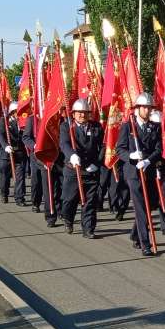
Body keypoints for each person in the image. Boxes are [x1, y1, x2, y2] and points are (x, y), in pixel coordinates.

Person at [116, 92, 162, 257]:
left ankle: (135, 234)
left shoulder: (155, 126)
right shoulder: (128, 126)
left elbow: (159, 149)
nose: (148, 111)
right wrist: (131, 156)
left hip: (148, 170)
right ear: (138, 108)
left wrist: (149, 160)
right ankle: (145, 243)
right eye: (145, 107)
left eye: (150, 108)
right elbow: (119, 149)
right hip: (133, 172)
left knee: (149, 205)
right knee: (141, 207)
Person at [60, 99, 104, 238]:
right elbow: (64, 143)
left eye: (85, 113)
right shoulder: (67, 126)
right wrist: (72, 155)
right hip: (73, 169)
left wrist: (97, 163)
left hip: (91, 169)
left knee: (90, 201)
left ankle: (88, 229)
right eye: (79, 112)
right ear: (73, 114)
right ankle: (68, 219)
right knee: (69, 199)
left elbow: (103, 146)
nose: (82, 115)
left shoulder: (96, 127)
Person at [149, 110, 165, 238]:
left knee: (164, 199)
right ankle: (138, 231)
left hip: (163, 171)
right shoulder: (147, 134)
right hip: (149, 171)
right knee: (148, 203)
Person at [0, 102, 29, 206]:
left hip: (19, 153)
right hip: (6, 154)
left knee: (20, 176)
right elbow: (1, 135)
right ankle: (4, 193)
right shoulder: (4, 121)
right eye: (17, 112)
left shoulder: (23, 122)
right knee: (5, 176)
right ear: (12, 112)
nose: (20, 114)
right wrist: (6, 146)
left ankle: (19, 198)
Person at [21, 114, 43, 213]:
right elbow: (26, 137)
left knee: (52, 182)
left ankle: (55, 208)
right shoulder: (32, 119)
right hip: (36, 155)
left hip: (50, 154)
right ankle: (36, 203)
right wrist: (35, 146)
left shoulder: (51, 116)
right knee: (37, 180)